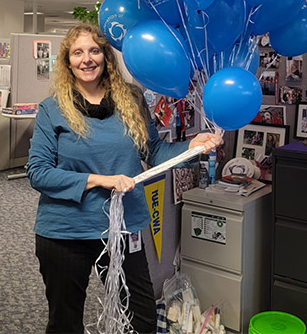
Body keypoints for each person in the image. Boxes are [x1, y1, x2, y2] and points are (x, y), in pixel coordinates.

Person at [26, 23, 223, 334]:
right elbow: (38, 172)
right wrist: (101, 180)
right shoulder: (52, 110)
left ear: (106, 56)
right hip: (65, 230)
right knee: (65, 322)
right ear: (67, 61)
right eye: (77, 53)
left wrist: (191, 146)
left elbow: (154, 151)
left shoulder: (131, 99)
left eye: (94, 50)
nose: (86, 59)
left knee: (141, 317)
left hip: (123, 226)